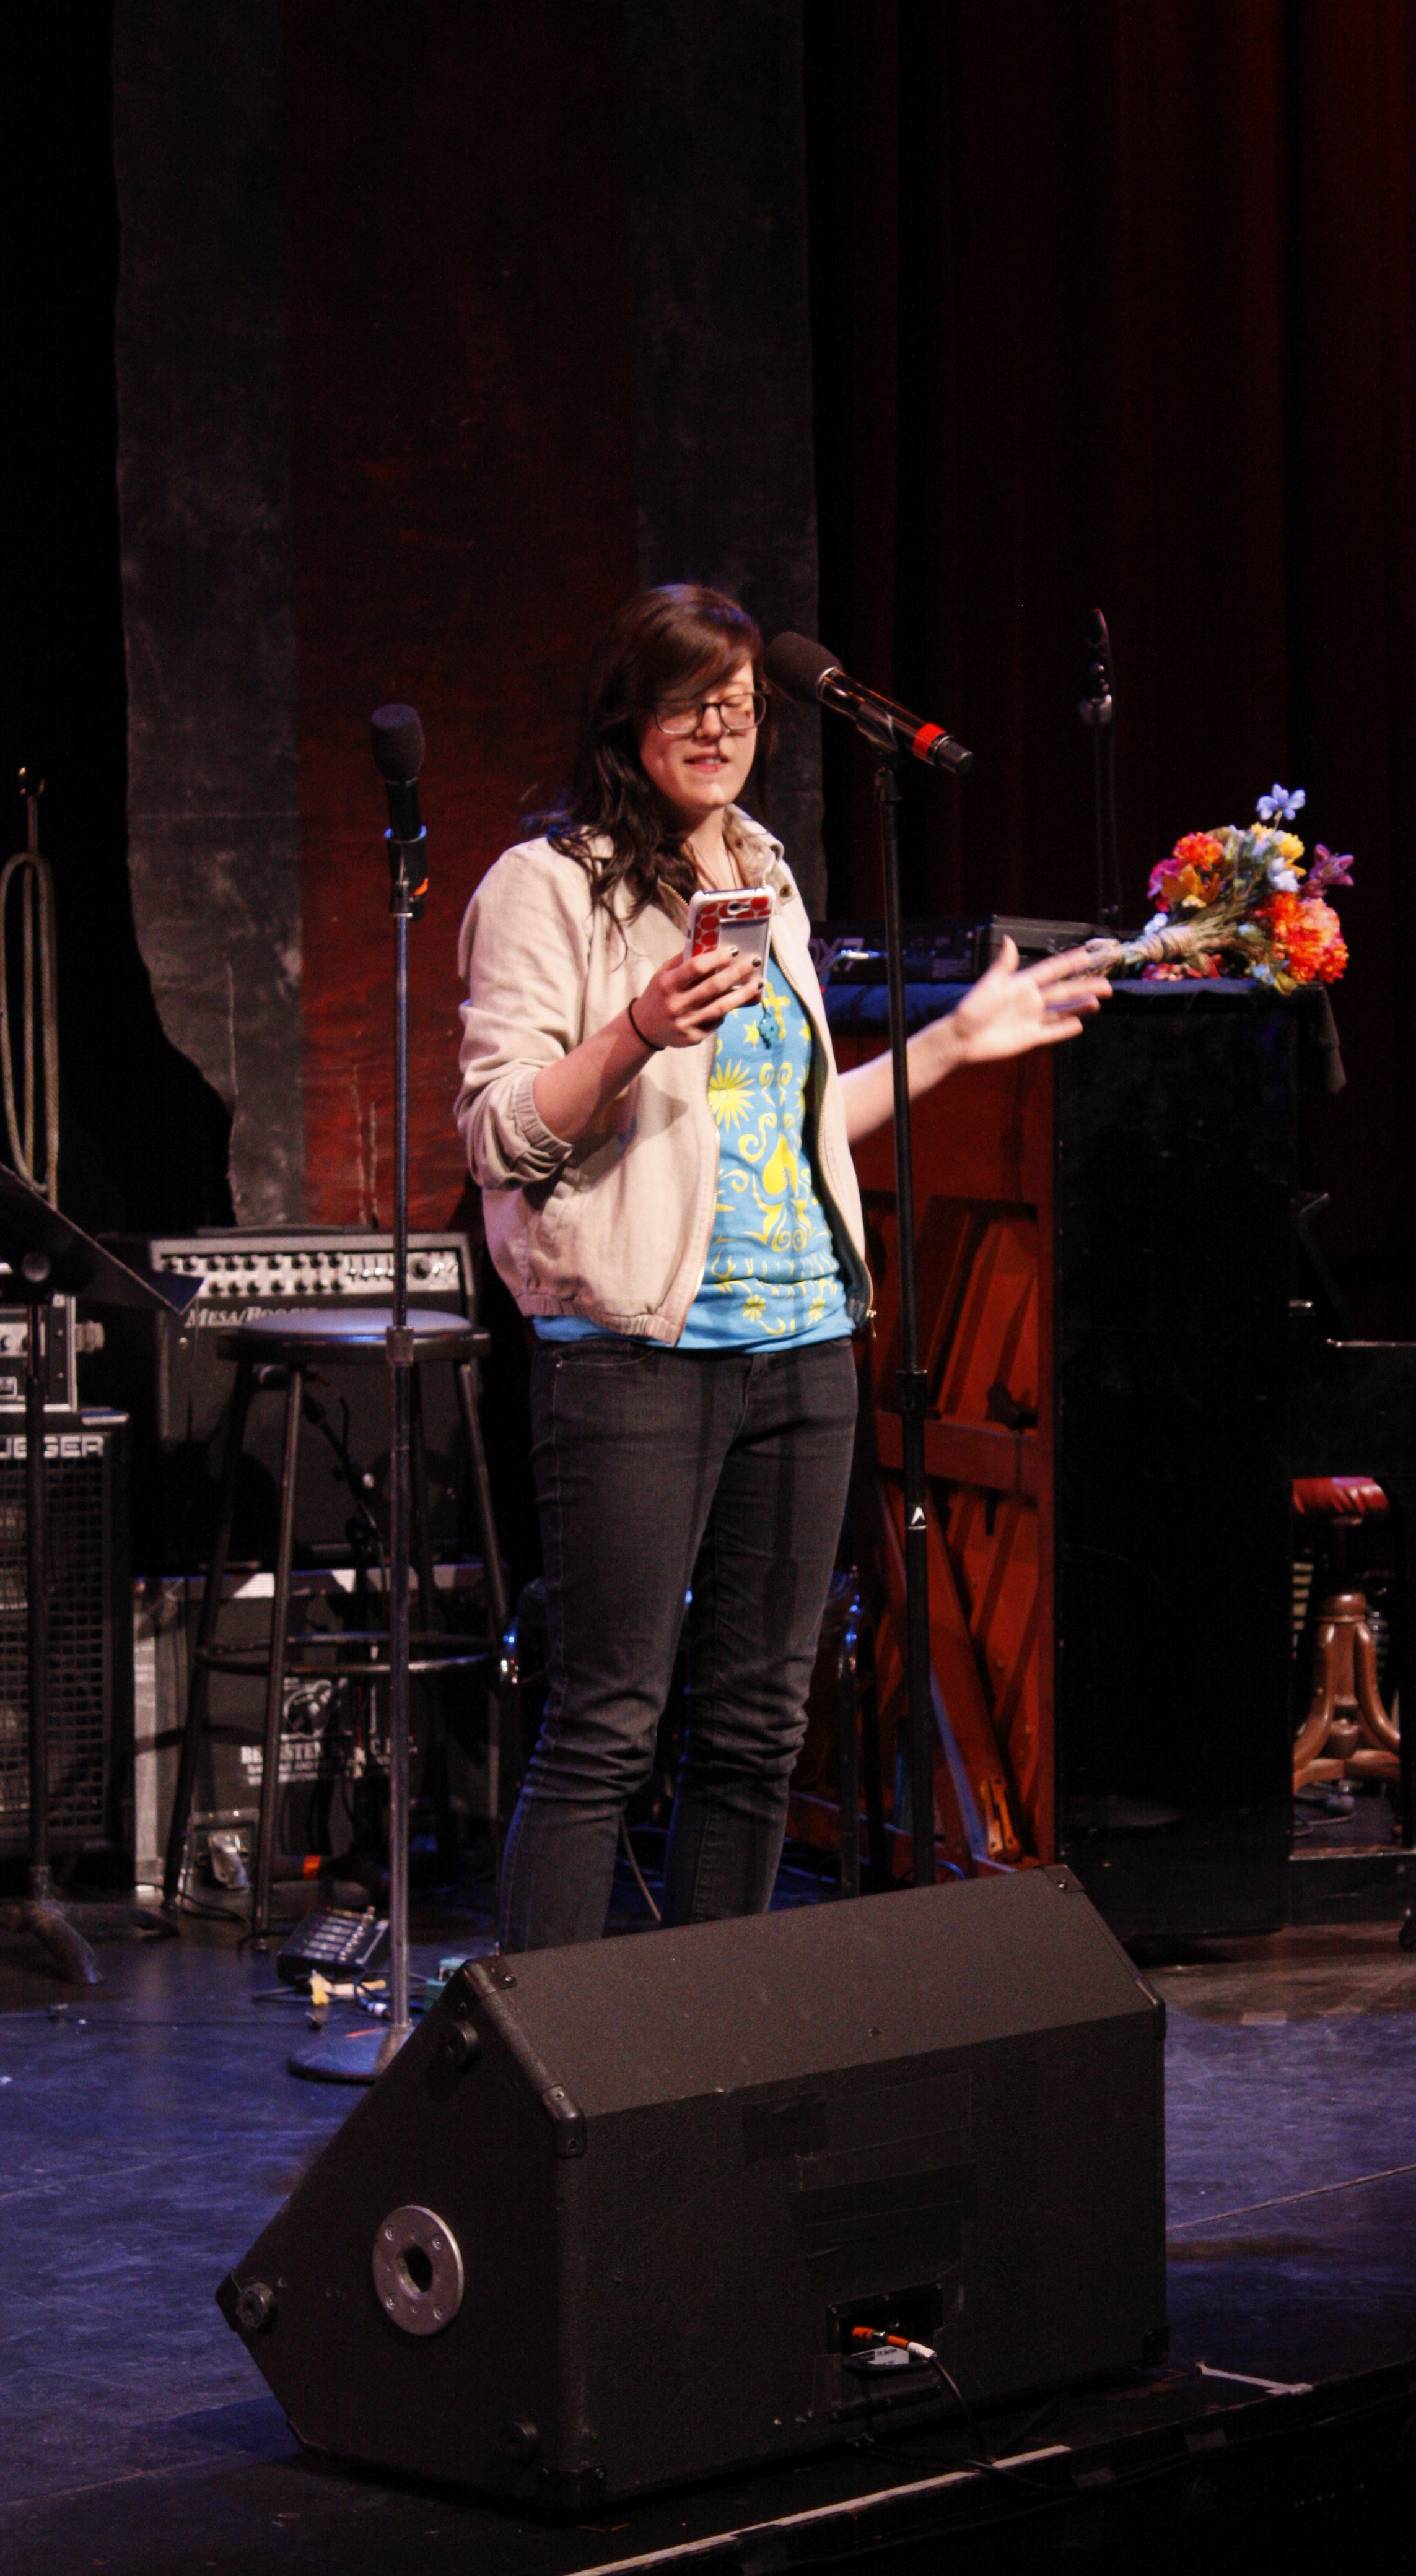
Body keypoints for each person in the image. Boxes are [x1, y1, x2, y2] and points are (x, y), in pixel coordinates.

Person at [457, 584, 1107, 1950]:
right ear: (629, 716)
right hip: (638, 1355)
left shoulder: (762, 870)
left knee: (758, 1729)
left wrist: (953, 1043)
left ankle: (711, 2038)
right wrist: (636, 1029)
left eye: (743, 709)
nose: (721, 730)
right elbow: (499, 1133)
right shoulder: (546, 885)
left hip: (805, 1346)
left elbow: (790, 1127)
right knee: (608, 1726)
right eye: (691, 704)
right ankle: (550, 2051)